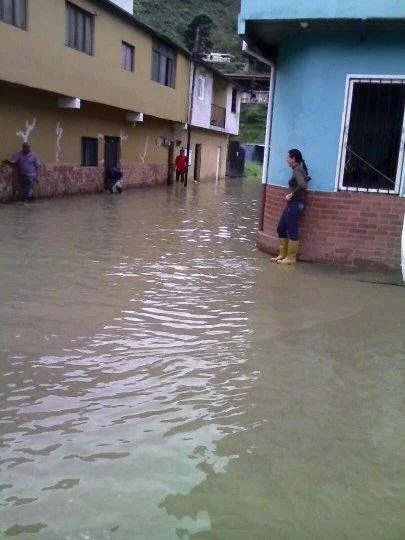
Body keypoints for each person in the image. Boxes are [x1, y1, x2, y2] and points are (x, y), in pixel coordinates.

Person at [271, 148, 309, 265]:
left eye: (288, 157)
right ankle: (282, 254)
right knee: (281, 228)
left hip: (296, 203)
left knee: (292, 229)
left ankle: (291, 258)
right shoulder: (297, 169)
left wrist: (291, 195)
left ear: (294, 159)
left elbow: (303, 185)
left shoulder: (297, 170)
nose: (286, 160)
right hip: (292, 203)